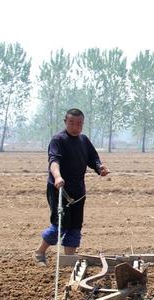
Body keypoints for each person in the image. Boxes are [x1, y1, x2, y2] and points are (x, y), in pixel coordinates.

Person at [34, 108, 110, 265]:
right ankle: (40, 253)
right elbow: (54, 161)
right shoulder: (58, 140)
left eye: (79, 123)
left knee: (75, 226)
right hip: (59, 189)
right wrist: (57, 176)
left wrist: (100, 168)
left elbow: (93, 158)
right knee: (60, 224)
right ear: (65, 122)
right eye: (72, 123)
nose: (76, 127)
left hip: (79, 190)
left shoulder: (84, 140)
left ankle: (68, 260)